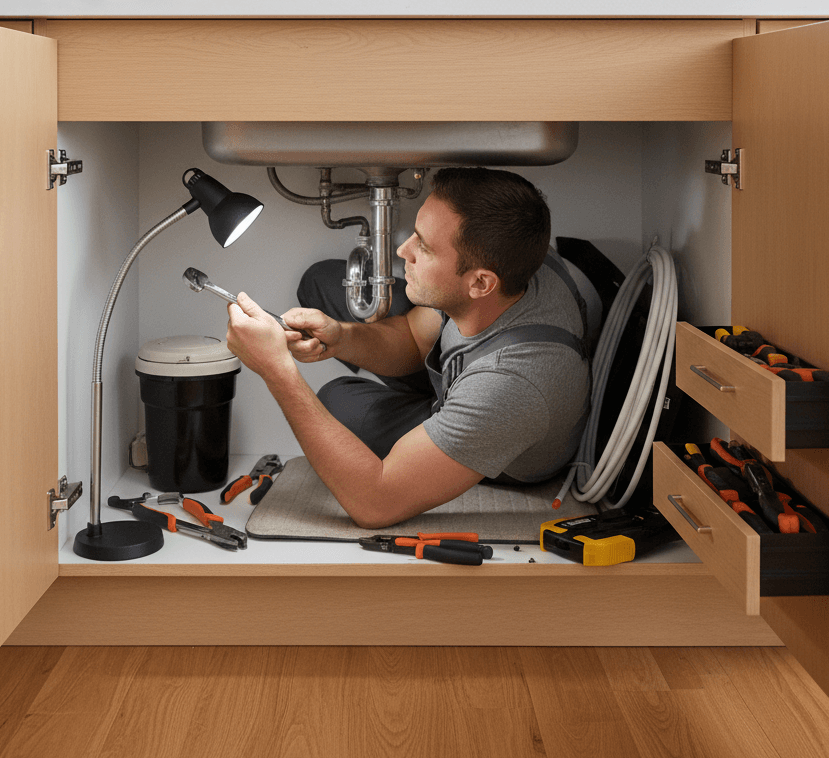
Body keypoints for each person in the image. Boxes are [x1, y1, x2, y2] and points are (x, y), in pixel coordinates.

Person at [224, 167, 591, 529]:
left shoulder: (510, 387)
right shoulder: (510, 259)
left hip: (501, 441)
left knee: (336, 404)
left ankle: (440, 441)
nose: (403, 250)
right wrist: (341, 337)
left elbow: (375, 504)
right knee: (322, 282)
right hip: (474, 378)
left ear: (480, 282)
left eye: (423, 247)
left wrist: (276, 370)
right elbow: (416, 338)